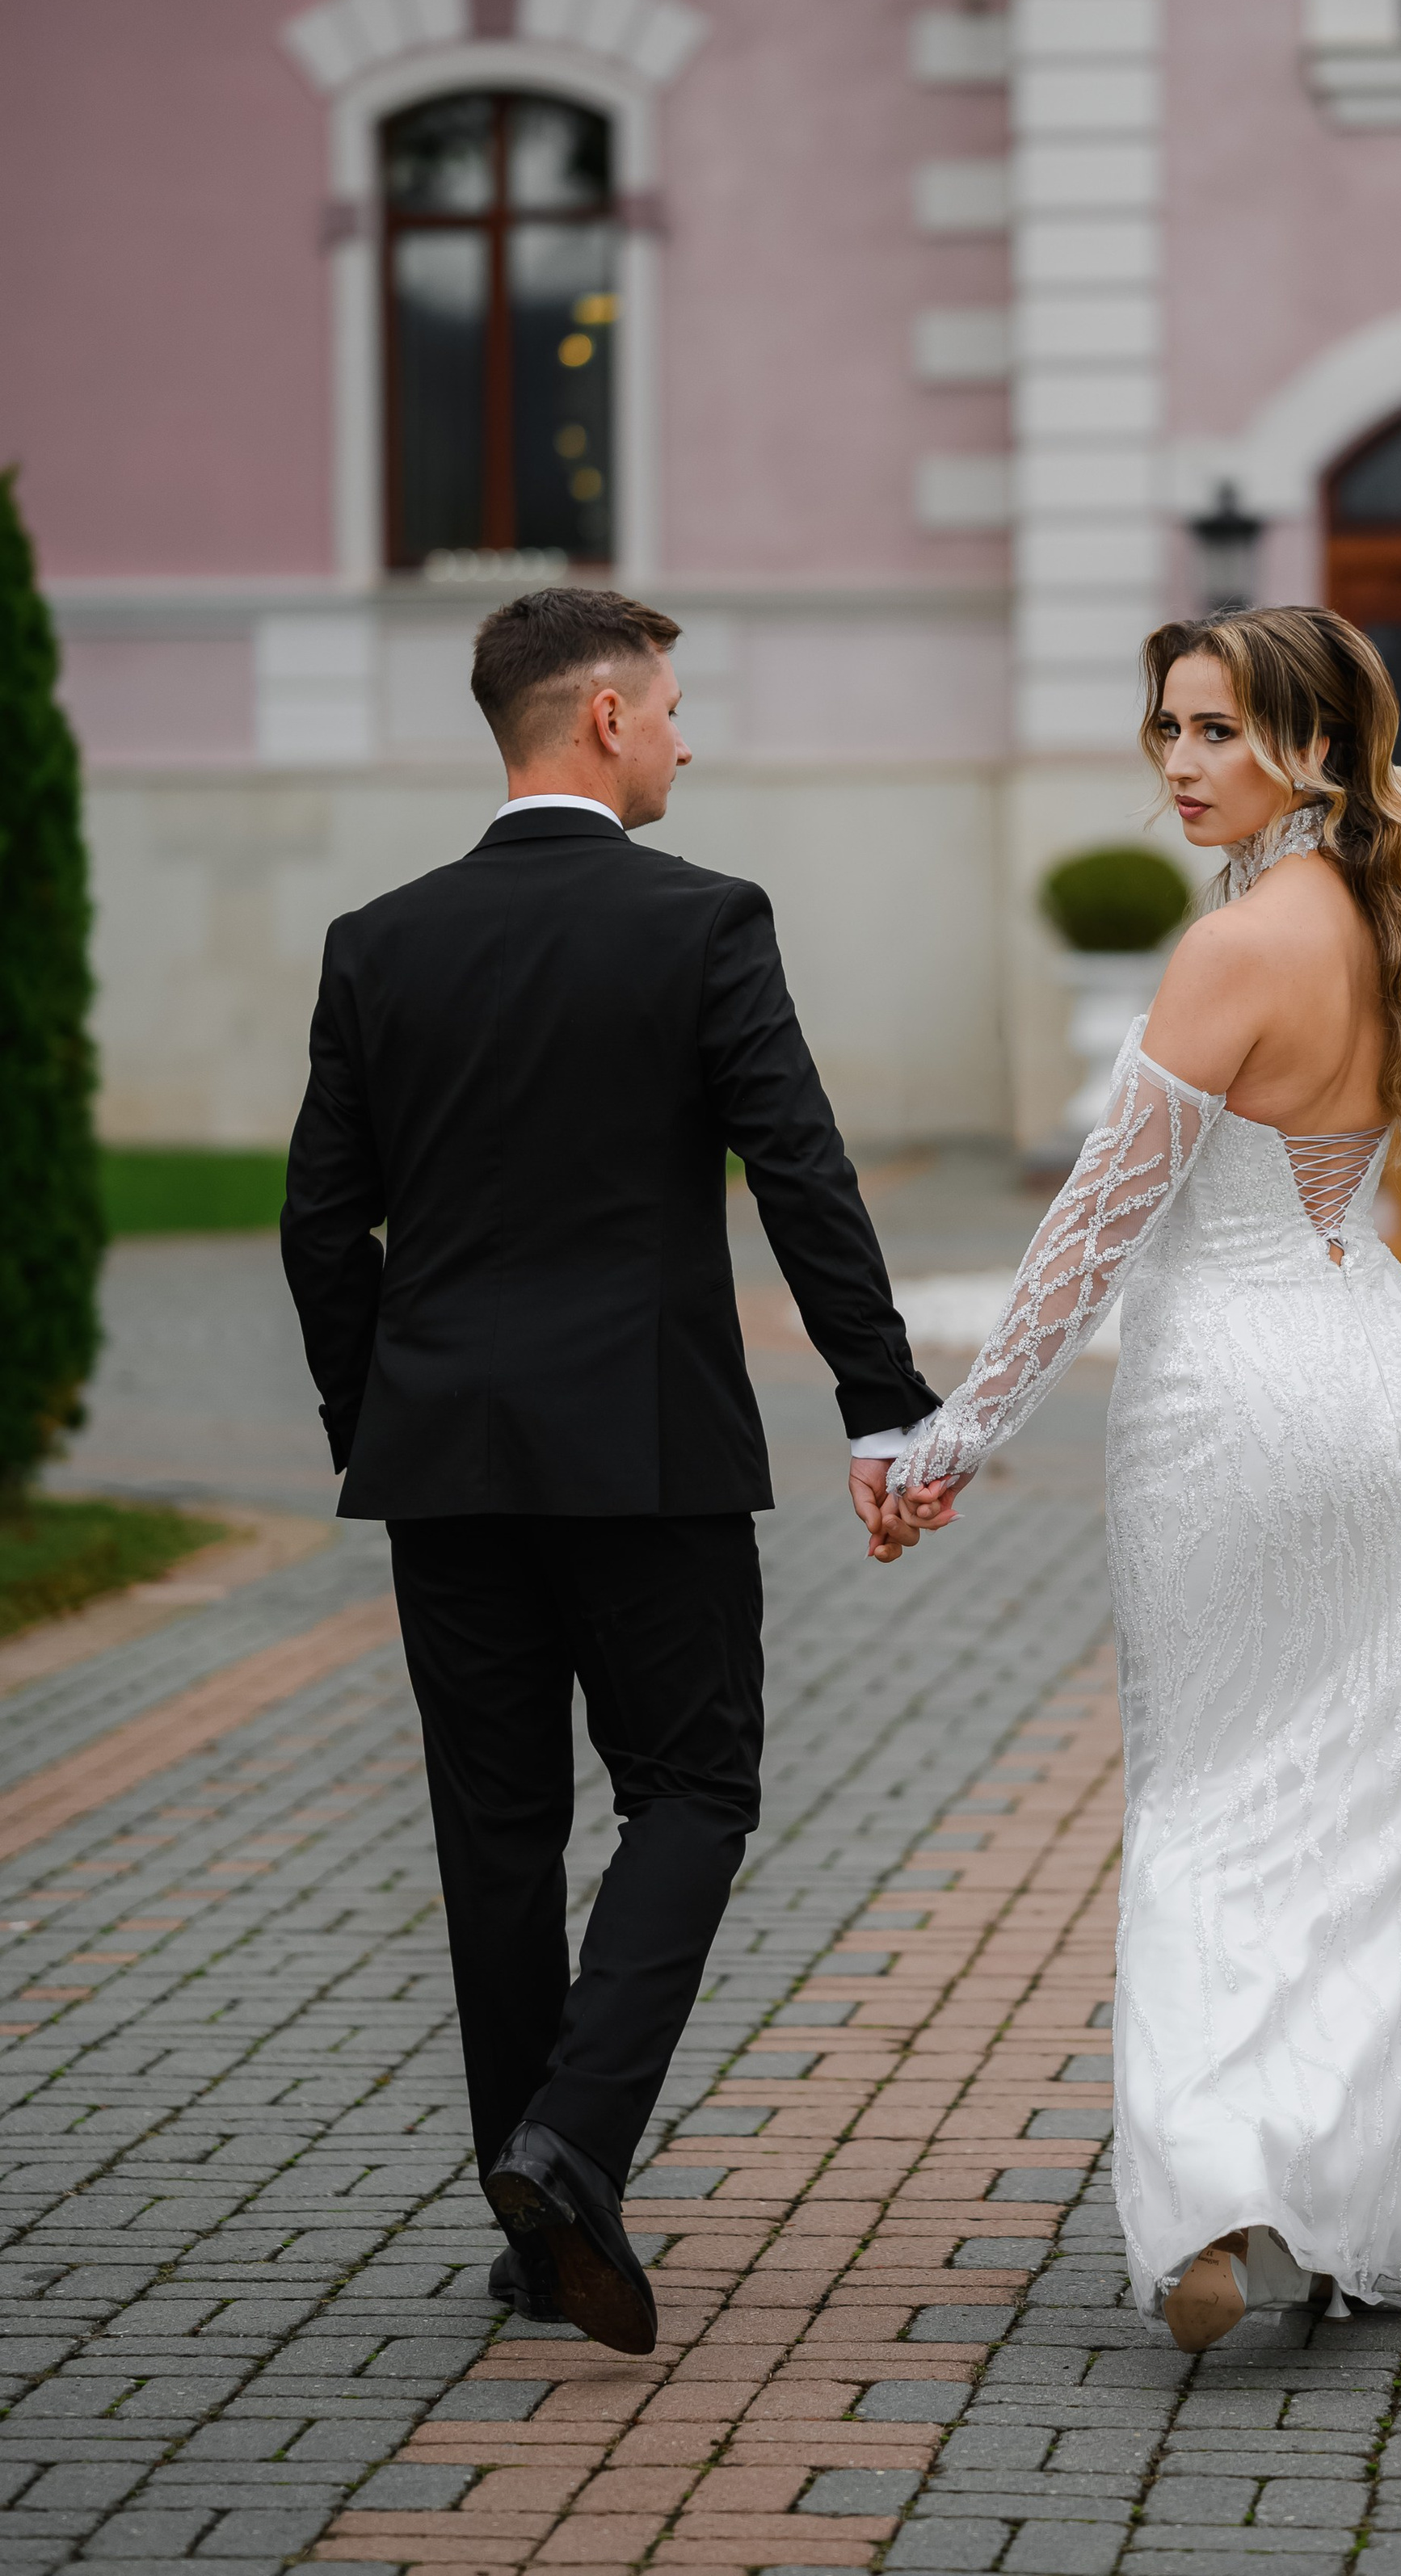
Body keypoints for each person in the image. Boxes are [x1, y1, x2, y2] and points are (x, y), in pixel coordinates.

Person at [879, 605, 1401, 2350]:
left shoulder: (1230, 952)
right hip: (1382, 1397)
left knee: (1211, 1798)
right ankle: (1337, 2202)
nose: (1181, 764)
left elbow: (1089, 1234)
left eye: (1219, 731)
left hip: (1226, 1405)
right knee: (1366, 1809)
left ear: (1317, 749)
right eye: (1169, 727)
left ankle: (1218, 2192)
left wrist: (946, 1440)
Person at [280, 585, 938, 2355]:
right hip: (646, 1451)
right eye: (670, 708)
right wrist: (883, 1407)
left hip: (445, 1458)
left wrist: (378, 1425)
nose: (684, 742)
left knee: (494, 1834)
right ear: (601, 719)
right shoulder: (702, 920)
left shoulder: (378, 941)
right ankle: (570, 2146)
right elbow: (800, 1171)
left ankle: (531, 2224)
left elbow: (321, 1227)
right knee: (694, 1786)